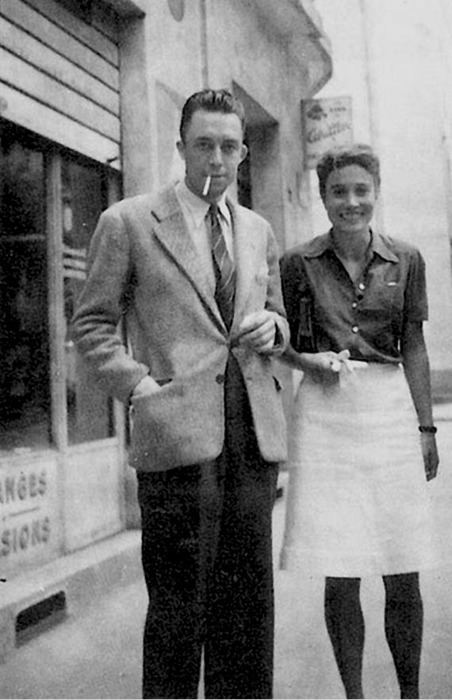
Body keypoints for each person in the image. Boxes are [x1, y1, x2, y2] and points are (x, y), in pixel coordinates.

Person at [71, 88, 289, 699]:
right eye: (203, 145)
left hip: (250, 439)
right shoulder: (130, 222)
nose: (216, 159)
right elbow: (90, 324)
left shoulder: (256, 229)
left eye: (228, 147)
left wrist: (276, 327)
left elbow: (276, 319)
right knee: (176, 612)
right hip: (175, 442)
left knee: (248, 613)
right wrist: (138, 385)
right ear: (180, 148)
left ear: (244, 152)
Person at [279, 144, 439, 699]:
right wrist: (310, 362)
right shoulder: (297, 264)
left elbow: (413, 344)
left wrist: (425, 429)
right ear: (323, 197)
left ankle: (411, 694)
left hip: (388, 411)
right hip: (325, 415)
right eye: (338, 191)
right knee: (339, 566)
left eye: (361, 190)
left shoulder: (407, 258)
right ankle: (354, 696)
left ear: (376, 192)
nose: (351, 202)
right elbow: (285, 347)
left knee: (402, 563)